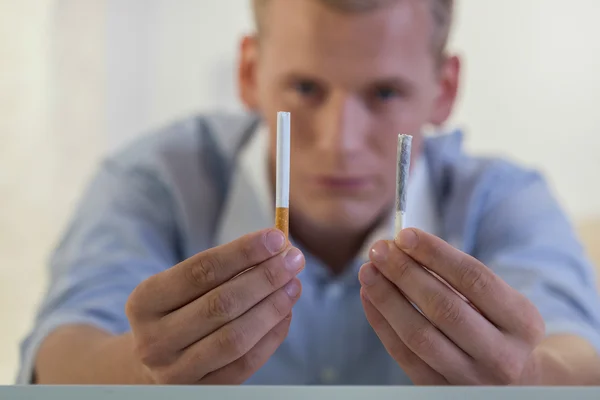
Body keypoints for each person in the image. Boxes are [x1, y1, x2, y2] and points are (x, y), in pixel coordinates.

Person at [18, 0, 600, 385]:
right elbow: (61, 353)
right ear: (249, 72)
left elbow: (579, 357)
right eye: (304, 87)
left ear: (444, 89)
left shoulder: (503, 201)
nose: (340, 141)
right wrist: (143, 373)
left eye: (385, 93)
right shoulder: (154, 182)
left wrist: (530, 382)